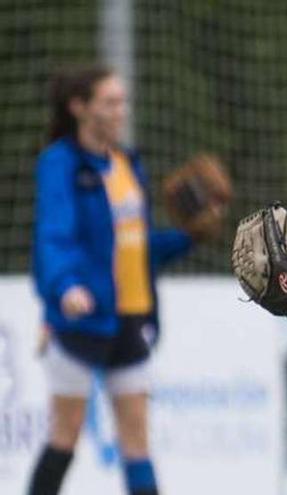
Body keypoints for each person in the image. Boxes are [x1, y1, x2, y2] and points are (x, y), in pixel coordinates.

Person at [28, 65, 194, 495]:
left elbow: (137, 246)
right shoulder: (60, 164)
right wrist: (66, 287)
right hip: (80, 317)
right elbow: (53, 236)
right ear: (79, 107)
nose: (121, 110)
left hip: (129, 316)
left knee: (136, 437)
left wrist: (188, 236)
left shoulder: (125, 162)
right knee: (65, 434)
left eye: (123, 101)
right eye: (110, 102)